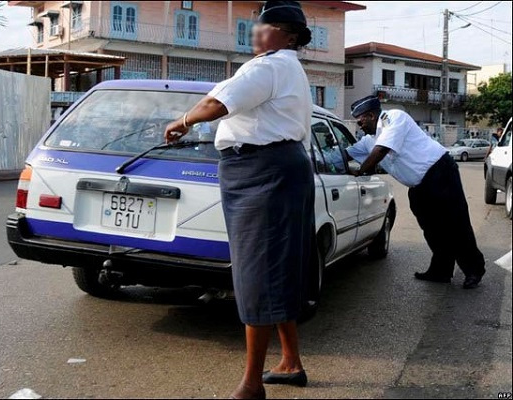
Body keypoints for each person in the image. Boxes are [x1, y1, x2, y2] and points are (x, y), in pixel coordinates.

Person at [164, 2, 314, 398]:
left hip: (262, 171)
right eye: (257, 25)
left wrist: (180, 123)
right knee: (274, 269)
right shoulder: (286, 68)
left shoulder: (269, 67)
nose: (256, 32)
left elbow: (216, 104)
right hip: (273, 168)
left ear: (289, 35)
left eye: (265, 26)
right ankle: (291, 362)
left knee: (258, 273)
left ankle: (251, 385)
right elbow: (219, 100)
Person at [346, 96, 486, 289]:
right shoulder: (368, 140)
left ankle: (474, 270)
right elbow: (345, 154)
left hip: (440, 172)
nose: (359, 125)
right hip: (418, 186)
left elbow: (382, 150)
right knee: (432, 229)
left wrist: (360, 170)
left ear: (370, 115)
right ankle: (441, 271)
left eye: (360, 121)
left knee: (456, 224)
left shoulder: (394, 118)